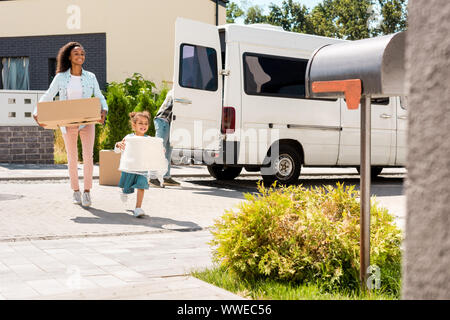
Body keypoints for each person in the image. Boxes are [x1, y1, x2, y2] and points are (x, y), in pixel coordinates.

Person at [33, 41, 108, 207]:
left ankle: (87, 191)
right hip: (67, 122)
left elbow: (100, 96)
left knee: (88, 157)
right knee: (72, 158)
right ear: (69, 56)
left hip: (87, 121)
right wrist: (36, 111)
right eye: (76, 54)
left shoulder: (90, 77)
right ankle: (76, 190)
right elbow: (49, 94)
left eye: (82, 54)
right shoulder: (61, 77)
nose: (80, 56)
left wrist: (104, 109)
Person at [114, 111, 152, 218]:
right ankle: (124, 191)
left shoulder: (148, 139)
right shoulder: (128, 138)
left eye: (146, 123)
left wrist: (159, 150)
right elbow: (118, 150)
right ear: (134, 125)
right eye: (141, 123)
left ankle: (138, 208)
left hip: (142, 169)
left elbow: (153, 151)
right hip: (129, 168)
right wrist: (118, 145)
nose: (144, 126)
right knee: (126, 187)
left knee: (141, 186)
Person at [149, 89, 180, 187]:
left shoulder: (178, 91)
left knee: (168, 151)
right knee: (159, 149)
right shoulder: (175, 91)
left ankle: (166, 177)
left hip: (169, 122)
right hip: (163, 121)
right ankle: (152, 178)